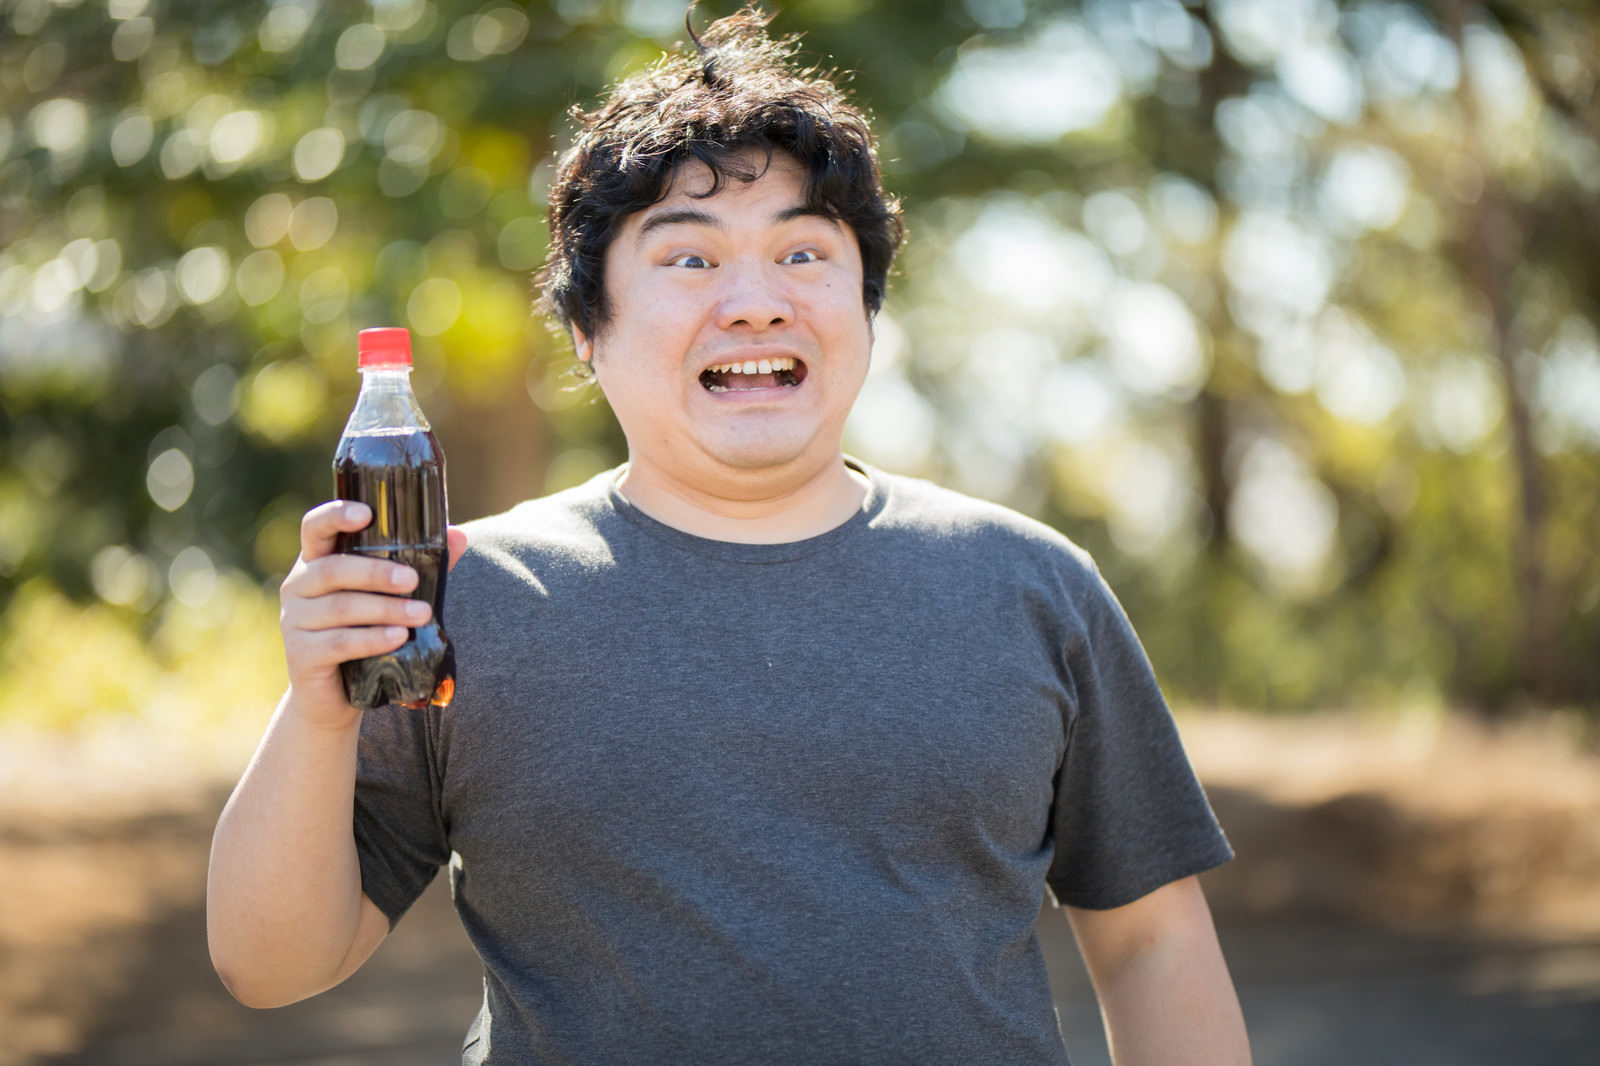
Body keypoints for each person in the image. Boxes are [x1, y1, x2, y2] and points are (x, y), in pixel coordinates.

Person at [207, 8, 1252, 1065]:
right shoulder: (463, 596)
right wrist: (319, 709)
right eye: (689, 260)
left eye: (803, 251)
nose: (755, 303)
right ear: (587, 328)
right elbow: (272, 962)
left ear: (865, 306)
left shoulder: (1030, 587)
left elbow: (1153, 941)